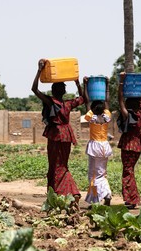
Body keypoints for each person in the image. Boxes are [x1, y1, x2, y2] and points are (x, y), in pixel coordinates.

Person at [31, 58, 86, 209]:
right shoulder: (65, 103)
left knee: (56, 166)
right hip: (65, 135)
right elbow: (83, 98)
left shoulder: (52, 102)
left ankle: (62, 193)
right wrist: (78, 83)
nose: (63, 89)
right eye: (63, 87)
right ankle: (64, 193)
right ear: (60, 91)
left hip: (56, 135)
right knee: (61, 165)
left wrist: (39, 70)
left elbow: (34, 89)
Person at [117, 72, 141, 209]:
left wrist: (122, 82)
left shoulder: (127, 115)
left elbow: (120, 100)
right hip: (138, 145)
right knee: (130, 170)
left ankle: (132, 199)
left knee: (127, 171)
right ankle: (131, 198)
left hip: (129, 145)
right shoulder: (140, 113)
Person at [83, 76, 113, 207]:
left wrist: (85, 85)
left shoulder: (92, 117)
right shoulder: (107, 116)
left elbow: (87, 101)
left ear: (93, 109)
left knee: (93, 175)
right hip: (104, 146)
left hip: (95, 147)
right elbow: (107, 101)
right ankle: (106, 194)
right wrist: (107, 84)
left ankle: (96, 199)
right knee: (102, 174)